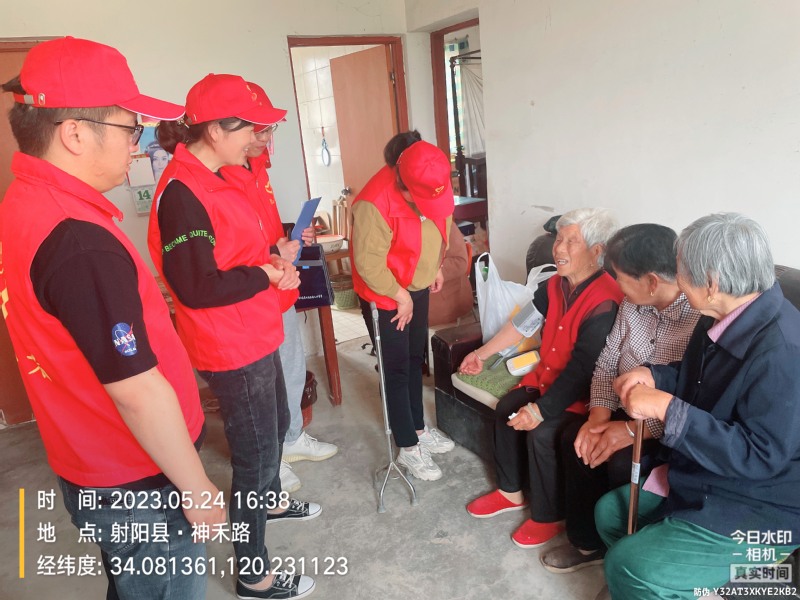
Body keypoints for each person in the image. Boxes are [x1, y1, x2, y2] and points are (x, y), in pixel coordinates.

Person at [0, 37, 225, 599]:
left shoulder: (24, 203)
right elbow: (137, 392)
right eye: (130, 129)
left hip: (90, 459)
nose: (138, 145)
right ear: (75, 133)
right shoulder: (79, 242)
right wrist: (197, 488)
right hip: (135, 477)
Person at [148, 74, 318, 600]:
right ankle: (253, 573)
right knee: (256, 457)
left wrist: (271, 259)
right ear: (215, 130)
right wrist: (266, 274)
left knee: (279, 425)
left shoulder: (220, 176)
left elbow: (231, 255)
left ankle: (271, 502)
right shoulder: (182, 192)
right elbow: (197, 286)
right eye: (250, 129)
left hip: (255, 328)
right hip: (230, 344)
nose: (257, 140)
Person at [596, 213, 800, 599]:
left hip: (760, 504)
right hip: (707, 473)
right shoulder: (720, 317)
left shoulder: (783, 351)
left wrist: (667, 409)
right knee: (611, 513)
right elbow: (699, 378)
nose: (675, 280)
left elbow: (760, 456)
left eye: (680, 272)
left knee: (627, 564)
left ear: (711, 283)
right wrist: (656, 376)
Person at [539, 223, 700, 573]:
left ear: (652, 281)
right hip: (619, 406)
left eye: (621, 278)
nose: (616, 286)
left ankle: (627, 556)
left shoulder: (698, 320)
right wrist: (598, 419)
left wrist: (629, 432)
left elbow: (692, 400)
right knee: (576, 439)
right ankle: (587, 544)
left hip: (665, 427)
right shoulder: (631, 304)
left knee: (621, 462)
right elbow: (608, 360)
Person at [462, 207, 622, 548]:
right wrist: (481, 354)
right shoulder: (554, 285)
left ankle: (550, 516)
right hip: (545, 378)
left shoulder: (606, 299)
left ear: (596, 251)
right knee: (507, 408)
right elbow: (522, 325)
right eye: (558, 239)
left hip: (584, 393)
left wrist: (541, 410)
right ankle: (510, 492)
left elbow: (584, 369)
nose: (558, 249)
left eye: (570, 242)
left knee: (542, 432)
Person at [219, 82, 338, 494]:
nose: (267, 139)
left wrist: (290, 239)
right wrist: (273, 252)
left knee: (290, 366)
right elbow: (226, 256)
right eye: (261, 130)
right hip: (251, 296)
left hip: (279, 286)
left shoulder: (257, 167)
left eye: (271, 130)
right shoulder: (218, 178)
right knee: (260, 386)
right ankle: (271, 460)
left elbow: (258, 232)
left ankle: (291, 439)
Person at [350, 131, 456, 481]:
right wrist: (400, 295)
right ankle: (408, 446)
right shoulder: (374, 202)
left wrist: (436, 265)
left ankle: (419, 430)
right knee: (395, 368)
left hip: (416, 285)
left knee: (414, 359)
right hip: (387, 294)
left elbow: (440, 222)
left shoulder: (435, 180)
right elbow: (368, 265)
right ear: (402, 181)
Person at [428, 220, 474, 326]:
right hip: (410, 304)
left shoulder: (443, 222)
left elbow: (460, 262)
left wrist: (430, 271)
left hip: (445, 305)